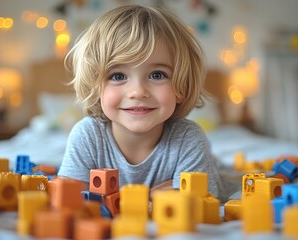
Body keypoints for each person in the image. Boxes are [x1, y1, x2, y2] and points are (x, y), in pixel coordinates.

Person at [58, 4, 225, 201]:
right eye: (118, 75)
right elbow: (70, 199)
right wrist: (149, 195)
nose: (138, 91)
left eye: (157, 74)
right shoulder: (87, 136)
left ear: (181, 87)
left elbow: (203, 201)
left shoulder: (187, 138)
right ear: (96, 88)